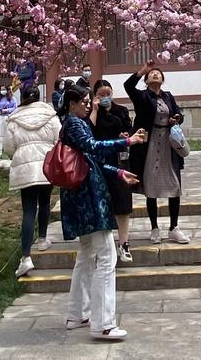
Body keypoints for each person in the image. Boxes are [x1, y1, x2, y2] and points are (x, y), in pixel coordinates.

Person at [59, 85, 145, 341]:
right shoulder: (74, 124)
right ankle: (103, 323)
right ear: (71, 103)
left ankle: (78, 314)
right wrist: (127, 141)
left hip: (84, 195)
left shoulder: (76, 124)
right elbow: (93, 147)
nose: (89, 105)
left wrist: (118, 172)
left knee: (86, 256)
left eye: (89, 101)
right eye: (84, 101)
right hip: (88, 198)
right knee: (107, 256)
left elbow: (90, 159)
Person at [124, 60, 189, 245]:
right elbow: (128, 86)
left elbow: (178, 113)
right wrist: (142, 69)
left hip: (168, 144)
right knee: (150, 186)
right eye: (151, 74)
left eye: (158, 73)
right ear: (146, 80)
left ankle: (174, 228)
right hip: (150, 144)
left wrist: (176, 118)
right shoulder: (142, 97)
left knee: (174, 185)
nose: (155, 75)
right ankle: (154, 228)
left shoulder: (168, 96)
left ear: (162, 79)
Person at [4, 84, 61, 278]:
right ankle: (43, 238)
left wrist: (18, 156)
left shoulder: (14, 118)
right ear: (39, 96)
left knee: (29, 210)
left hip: (25, 165)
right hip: (47, 162)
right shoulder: (50, 115)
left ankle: (26, 257)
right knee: (45, 201)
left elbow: (9, 147)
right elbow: (58, 139)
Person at [89, 79, 134, 263]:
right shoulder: (92, 113)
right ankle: (102, 246)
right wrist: (95, 110)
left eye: (108, 93)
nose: (106, 97)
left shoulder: (121, 111)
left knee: (123, 204)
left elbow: (128, 130)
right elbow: (89, 132)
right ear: (95, 96)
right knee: (101, 203)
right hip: (99, 162)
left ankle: (124, 244)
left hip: (119, 160)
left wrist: (125, 136)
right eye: (101, 94)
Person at [0, 86, 17, 161]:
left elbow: (15, 107)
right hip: (0, 117)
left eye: (4, 89)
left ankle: (10, 153)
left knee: (9, 136)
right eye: (1, 89)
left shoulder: (12, 99)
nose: (2, 91)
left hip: (8, 117)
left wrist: (7, 110)